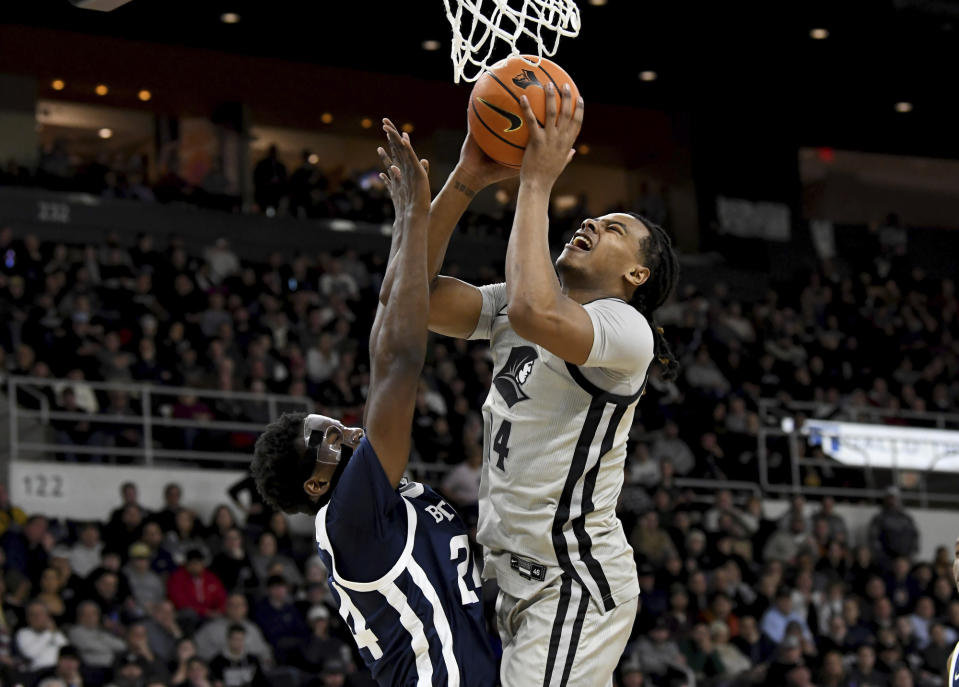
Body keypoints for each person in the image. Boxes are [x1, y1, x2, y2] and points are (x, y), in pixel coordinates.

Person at [417, 83, 679, 685]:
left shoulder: (625, 329)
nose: (591, 221)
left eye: (613, 228)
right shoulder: (521, 305)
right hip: (511, 582)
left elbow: (538, 314)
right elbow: (413, 299)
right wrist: (465, 178)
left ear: (636, 273)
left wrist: (535, 180)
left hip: (572, 582)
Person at [250, 121, 496, 686]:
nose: (351, 433)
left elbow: (390, 313)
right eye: (332, 441)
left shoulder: (369, 504)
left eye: (336, 425)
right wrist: (413, 217)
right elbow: (398, 363)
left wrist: (425, 211)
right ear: (315, 484)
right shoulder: (350, 515)